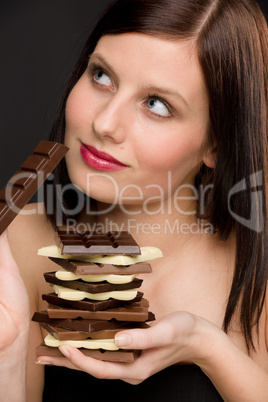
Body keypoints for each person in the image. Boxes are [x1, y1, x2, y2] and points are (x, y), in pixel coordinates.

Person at [0, 0, 267, 400]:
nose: (104, 123)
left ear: (216, 143)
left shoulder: (254, 270)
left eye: (156, 104)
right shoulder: (18, 243)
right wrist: (9, 349)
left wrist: (206, 347)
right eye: (102, 75)